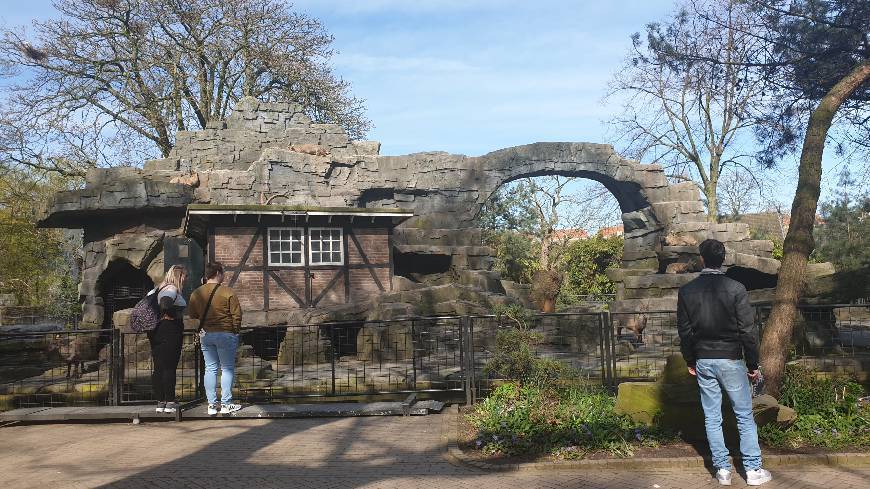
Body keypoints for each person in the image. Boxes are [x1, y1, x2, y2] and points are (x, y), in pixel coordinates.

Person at [677, 239, 772, 486]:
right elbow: (747, 331)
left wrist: (690, 359)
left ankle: (722, 471)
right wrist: (753, 364)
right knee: (743, 415)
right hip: (731, 358)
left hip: (703, 360)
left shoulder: (687, 291)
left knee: (712, 417)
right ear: (723, 259)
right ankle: (752, 470)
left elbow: (685, 331)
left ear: (701, 259)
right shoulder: (736, 288)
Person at [188, 262, 243, 416]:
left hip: (206, 334)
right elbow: (237, 315)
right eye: (223, 273)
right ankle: (226, 404)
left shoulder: (196, 293)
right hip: (225, 333)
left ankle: (211, 405)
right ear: (218, 273)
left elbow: (193, 316)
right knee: (226, 368)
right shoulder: (228, 292)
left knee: (210, 368)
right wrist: (235, 331)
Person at [147, 264, 188, 414]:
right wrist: (171, 314)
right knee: (169, 366)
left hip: (155, 330)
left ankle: (160, 401)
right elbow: (165, 302)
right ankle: (170, 401)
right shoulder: (171, 289)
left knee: (158, 366)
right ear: (180, 276)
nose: (186, 280)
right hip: (170, 330)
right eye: (185, 277)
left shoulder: (155, 289)